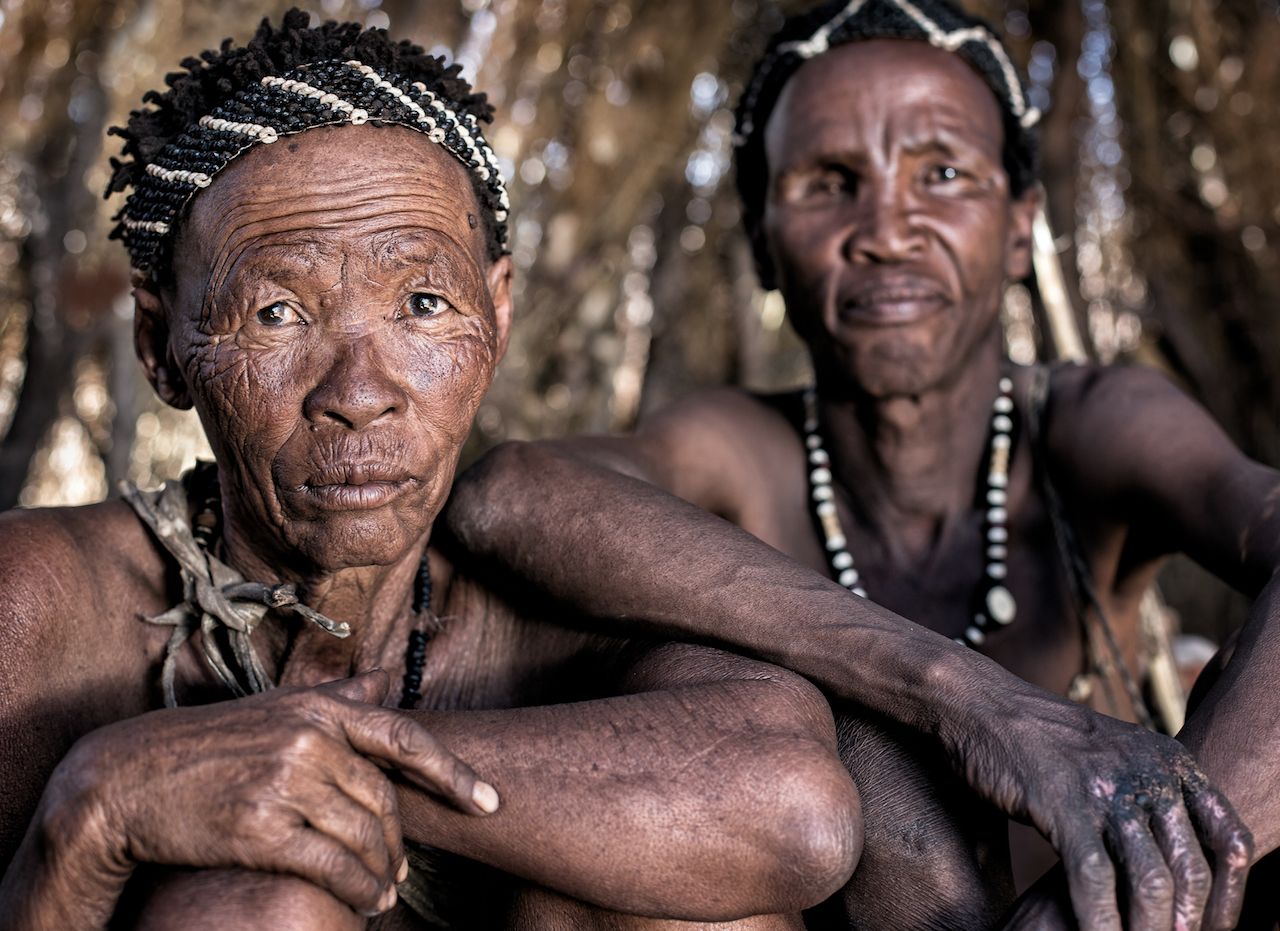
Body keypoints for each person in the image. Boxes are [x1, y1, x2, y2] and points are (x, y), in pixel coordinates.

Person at [0, 13, 864, 929]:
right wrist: (91, 818)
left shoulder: (552, 609)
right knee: (252, 902)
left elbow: (798, 809)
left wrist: (324, 766)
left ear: (495, 316)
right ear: (160, 344)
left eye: (420, 303)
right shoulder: (35, 611)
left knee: (687, 895)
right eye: (278, 313)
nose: (360, 393)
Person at [441, 0, 1277, 928]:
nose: (886, 227)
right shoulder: (739, 452)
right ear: (762, 241)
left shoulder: (1092, 428)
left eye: (944, 173)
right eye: (831, 181)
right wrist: (974, 702)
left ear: (1017, 226)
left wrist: (1108, 899)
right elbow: (508, 495)